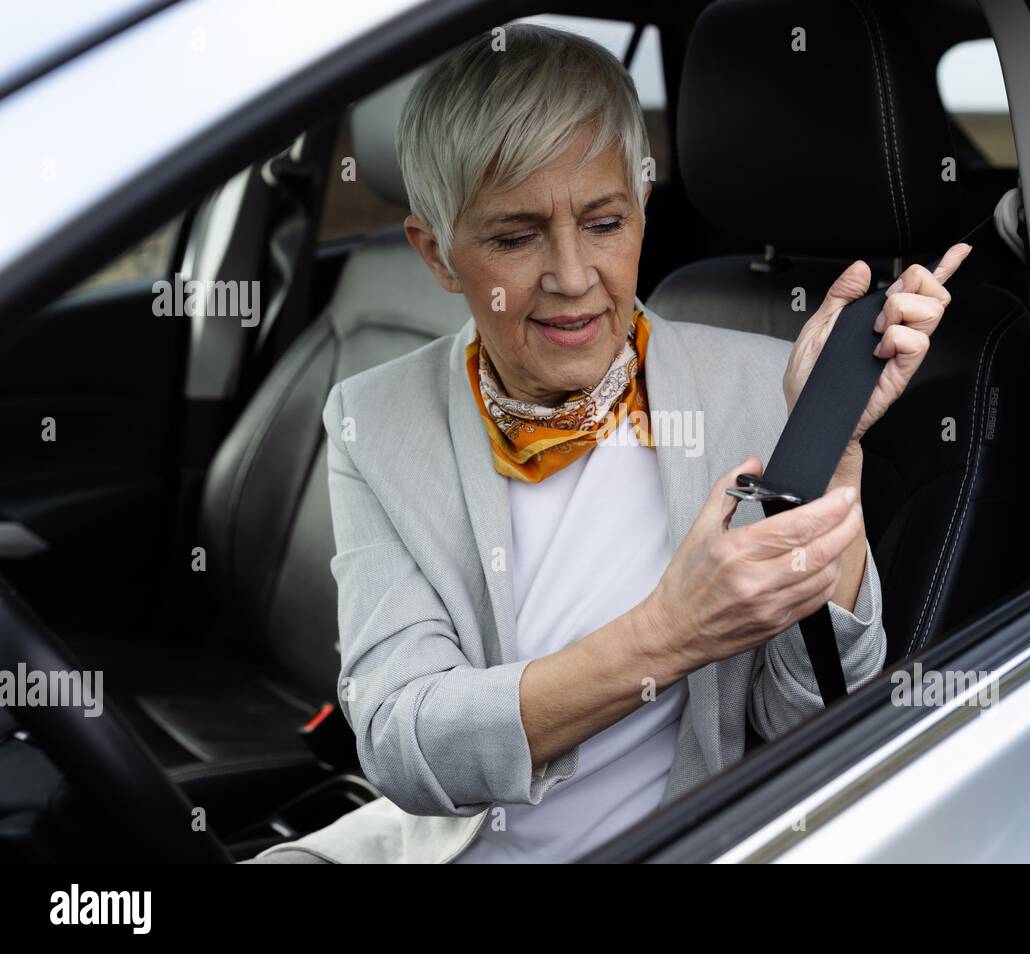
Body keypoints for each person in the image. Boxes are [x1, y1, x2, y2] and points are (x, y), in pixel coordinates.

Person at [251, 22, 968, 864]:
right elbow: (405, 746)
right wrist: (671, 632)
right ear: (437, 254)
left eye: (603, 222)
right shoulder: (375, 417)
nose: (571, 276)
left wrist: (826, 461)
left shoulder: (771, 393)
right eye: (514, 237)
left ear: (643, 208)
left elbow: (815, 728)